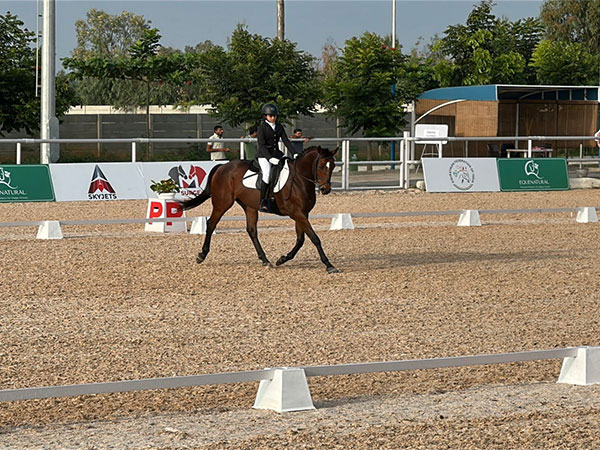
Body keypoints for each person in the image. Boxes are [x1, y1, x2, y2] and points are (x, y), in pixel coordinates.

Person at [256, 103, 299, 212]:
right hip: (264, 155)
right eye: (271, 116)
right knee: (267, 174)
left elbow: (286, 141)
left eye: (275, 116)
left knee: (288, 168)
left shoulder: (279, 127)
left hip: (276, 153)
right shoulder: (261, 128)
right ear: (265, 116)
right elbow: (261, 145)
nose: (273, 118)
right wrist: (269, 158)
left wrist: (294, 153)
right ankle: (263, 201)